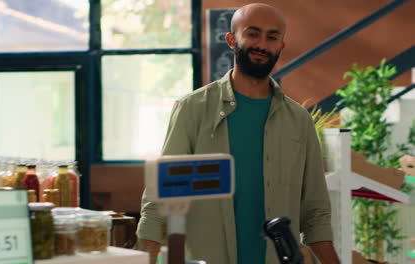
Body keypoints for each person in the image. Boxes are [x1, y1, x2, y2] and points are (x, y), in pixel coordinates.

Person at [136, 3, 340, 264]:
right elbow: (159, 200)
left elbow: (316, 213)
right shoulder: (192, 110)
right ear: (232, 40)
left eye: (272, 37)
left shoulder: (299, 121)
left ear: (281, 46)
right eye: (253, 34)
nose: (262, 45)